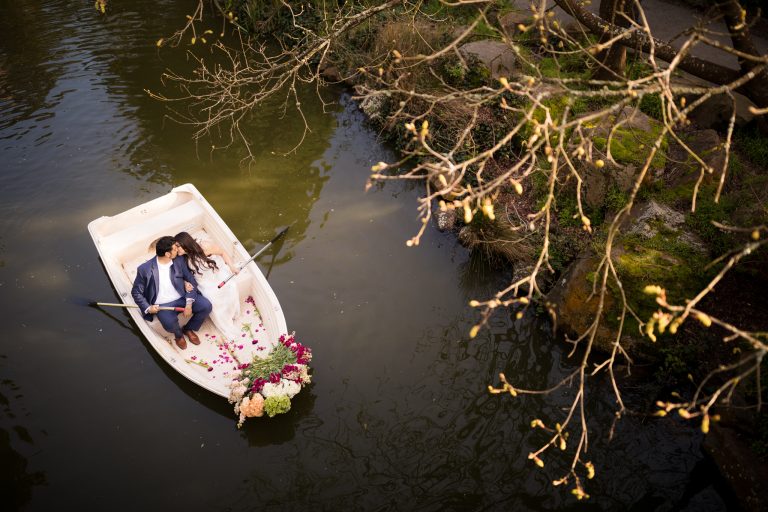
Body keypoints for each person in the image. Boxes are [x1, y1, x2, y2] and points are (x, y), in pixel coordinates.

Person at [131, 236, 212, 350]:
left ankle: (188, 328)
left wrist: (189, 303)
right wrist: (148, 308)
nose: (178, 250)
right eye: (175, 248)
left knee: (206, 306)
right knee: (169, 324)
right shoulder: (145, 269)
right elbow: (136, 292)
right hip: (162, 305)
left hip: (183, 297)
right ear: (168, 254)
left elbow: (191, 280)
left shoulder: (179, 260)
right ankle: (178, 336)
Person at [174, 232, 242, 343]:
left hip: (214, 273)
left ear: (185, 243)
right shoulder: (181, 257)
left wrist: (232, 266)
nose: (176, 249)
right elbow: (182, 273)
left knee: (231, 286)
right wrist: (185, 282)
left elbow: (222, 252)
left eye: (178, 246)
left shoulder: (204, 247)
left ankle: (231, 312)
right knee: (212, 297)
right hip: (202, 281)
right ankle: (222, 319)